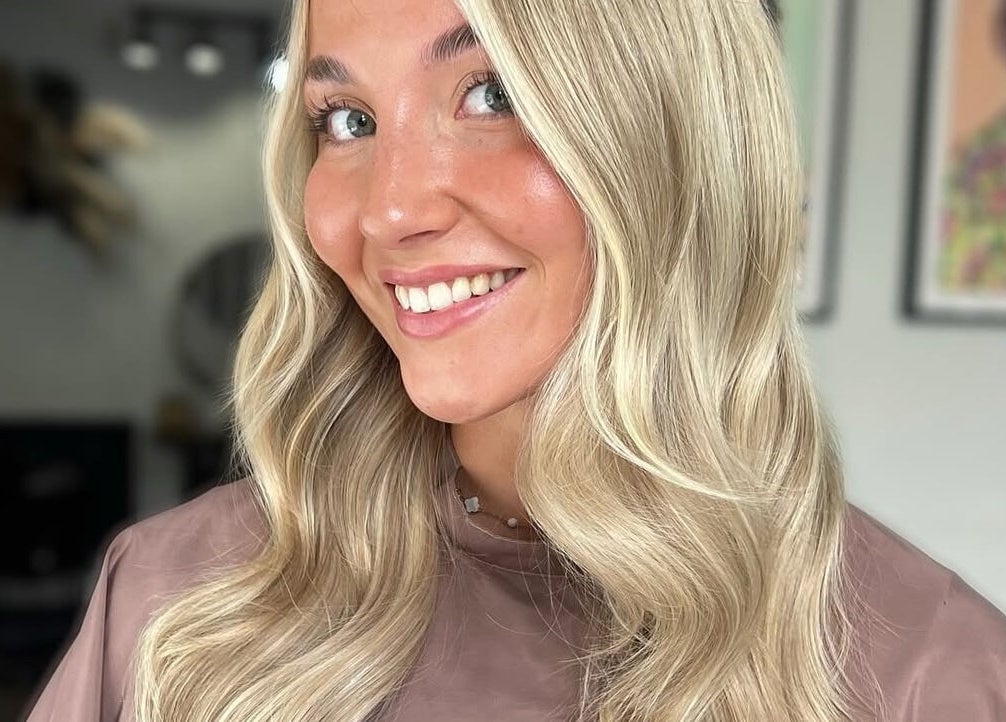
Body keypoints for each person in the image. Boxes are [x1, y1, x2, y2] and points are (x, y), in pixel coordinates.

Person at [24, 0, 1006, 720]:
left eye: (491, 93)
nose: (391, 210)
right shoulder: (180, 597)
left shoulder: (928, 669)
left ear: (678, 146)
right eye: (348, 121)